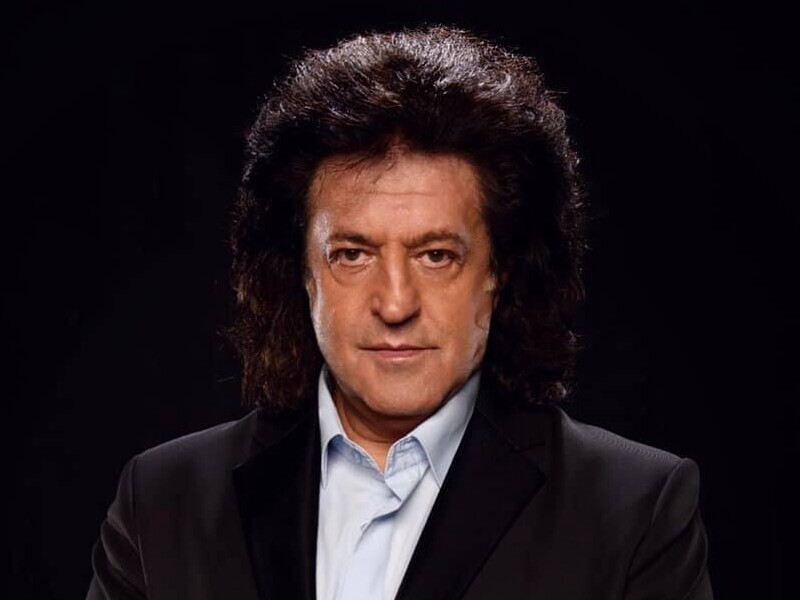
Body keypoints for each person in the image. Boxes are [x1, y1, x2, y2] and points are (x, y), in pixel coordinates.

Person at [86, 26, 713, 600]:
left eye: (436, 255)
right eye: (352, 255)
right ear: (301, 271)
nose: (394, 304)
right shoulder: (162, 501)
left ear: (499, 272)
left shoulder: (633, 511)